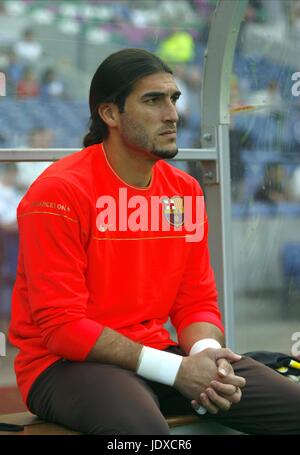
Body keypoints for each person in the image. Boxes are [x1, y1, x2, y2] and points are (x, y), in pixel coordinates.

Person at [9, 48, 300, 435]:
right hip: (62, 367)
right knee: (147, 436)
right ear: (110, 114)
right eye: (153, 100)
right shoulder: (59, 192)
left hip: (159, 358)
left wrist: (205, 357)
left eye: (174, 99)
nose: (173, 114)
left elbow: (196, 301)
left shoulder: (185, 191)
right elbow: (61, 326)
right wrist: (176, 369)